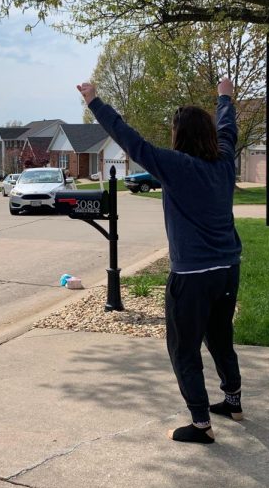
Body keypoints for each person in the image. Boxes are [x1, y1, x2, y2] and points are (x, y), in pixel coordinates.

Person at [77, 78, 243, 445]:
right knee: (220, 336)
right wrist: (225, 97)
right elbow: (229, 127)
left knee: (184, 349)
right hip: (228, 269)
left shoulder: (174, 165)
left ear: (179, 135)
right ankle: (233, 401)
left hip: (193, 276)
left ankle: (201, 424)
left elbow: (129, 139)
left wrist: (95, 102)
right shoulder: (225, 161)